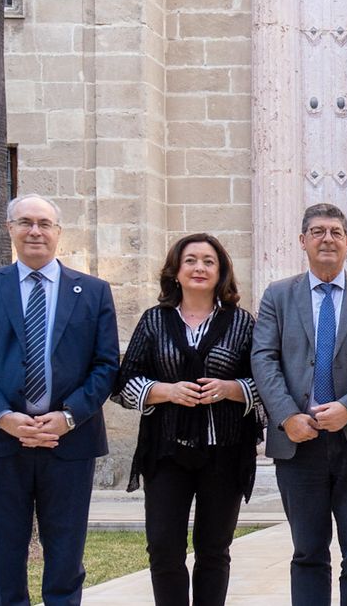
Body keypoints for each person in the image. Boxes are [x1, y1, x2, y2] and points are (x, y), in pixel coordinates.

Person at [0, 194, 120, 606]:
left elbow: (105, 366)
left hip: (69, 444)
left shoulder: (93, 292)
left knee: (66, 561)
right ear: (9, 229)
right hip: (1, 444)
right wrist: (4, 417)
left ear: (58, 233)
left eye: (45, 223)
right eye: (25, 222)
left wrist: (68, 416)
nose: (35, 231)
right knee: (4, 562)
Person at [250, 203, 347, 606]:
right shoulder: (277, 296)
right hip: (299, 442)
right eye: (317, 231)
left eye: (336, 232)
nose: (327, 239)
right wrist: (285, 417)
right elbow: (263, 358)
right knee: (307, 553)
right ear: (303, 241)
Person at [113, 232, 265, 606]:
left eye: (208, 261)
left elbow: (266, 380)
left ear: (221, 271)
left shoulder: (242, 323)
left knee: (214, 550)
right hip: (166, 453)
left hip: (224, 452)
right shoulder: (154, 321)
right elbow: (124, 380)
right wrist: (164, 391)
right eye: (191, 261)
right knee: (164, 549)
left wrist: (232, 389)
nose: (199, 268)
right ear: (176, 272)